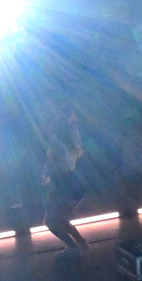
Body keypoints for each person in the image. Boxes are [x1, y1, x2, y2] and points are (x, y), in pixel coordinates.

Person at [41, 102, 90, 256]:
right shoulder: (63, 137)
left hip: (65, 183)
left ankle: (76, 246)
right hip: (65, 183)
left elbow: (60, 162)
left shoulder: (63, 138)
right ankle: (79, 245)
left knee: (52, 220)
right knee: (56, 219)